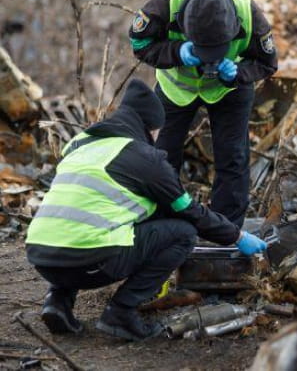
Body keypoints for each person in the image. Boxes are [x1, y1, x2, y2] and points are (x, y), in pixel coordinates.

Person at [25, 79, 267, 341]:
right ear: (148, 126)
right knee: (182, 233)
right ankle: (121, 312)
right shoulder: (144, 158)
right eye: (156, 131)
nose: (156, 137)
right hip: (91, 263)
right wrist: (237, 236)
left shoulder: (80, 144)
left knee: (74, 228)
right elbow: (190, 211)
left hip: (41, 257)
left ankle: (57, 301)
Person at [129, 0, 277, 228]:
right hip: (175, 88)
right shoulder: (165, 3)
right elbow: (140, 43)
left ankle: (226, 230)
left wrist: (239, 72)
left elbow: (268, 63)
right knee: (160, 156)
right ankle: (160, 227)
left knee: (233, 157)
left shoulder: (250, 14)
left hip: (228, 88)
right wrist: (176, 52)